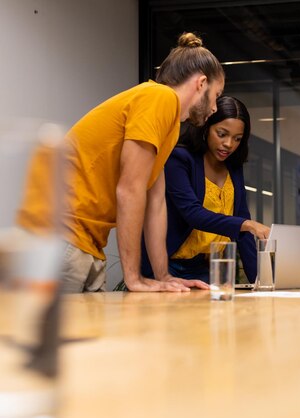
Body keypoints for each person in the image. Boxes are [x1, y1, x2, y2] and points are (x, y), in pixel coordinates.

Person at [18, 32, 224, 293]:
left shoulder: (169, 124)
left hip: (85, 242)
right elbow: (130, 189)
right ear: (202, 83)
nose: (215, 107)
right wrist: (133, 279)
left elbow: (155, 204)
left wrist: (163, 277)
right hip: (62, 235)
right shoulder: (159, 98)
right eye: (217, 95)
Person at [140, 96, 269, 283]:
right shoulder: (179, 159)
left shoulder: (234, 168)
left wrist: (261, 282)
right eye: (222, 134)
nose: (229, 144)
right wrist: (246, 224)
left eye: (237, 139)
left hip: (206, 268)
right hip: (167, 265)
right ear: (206, 128)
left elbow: (244, 233)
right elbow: (193, 214)